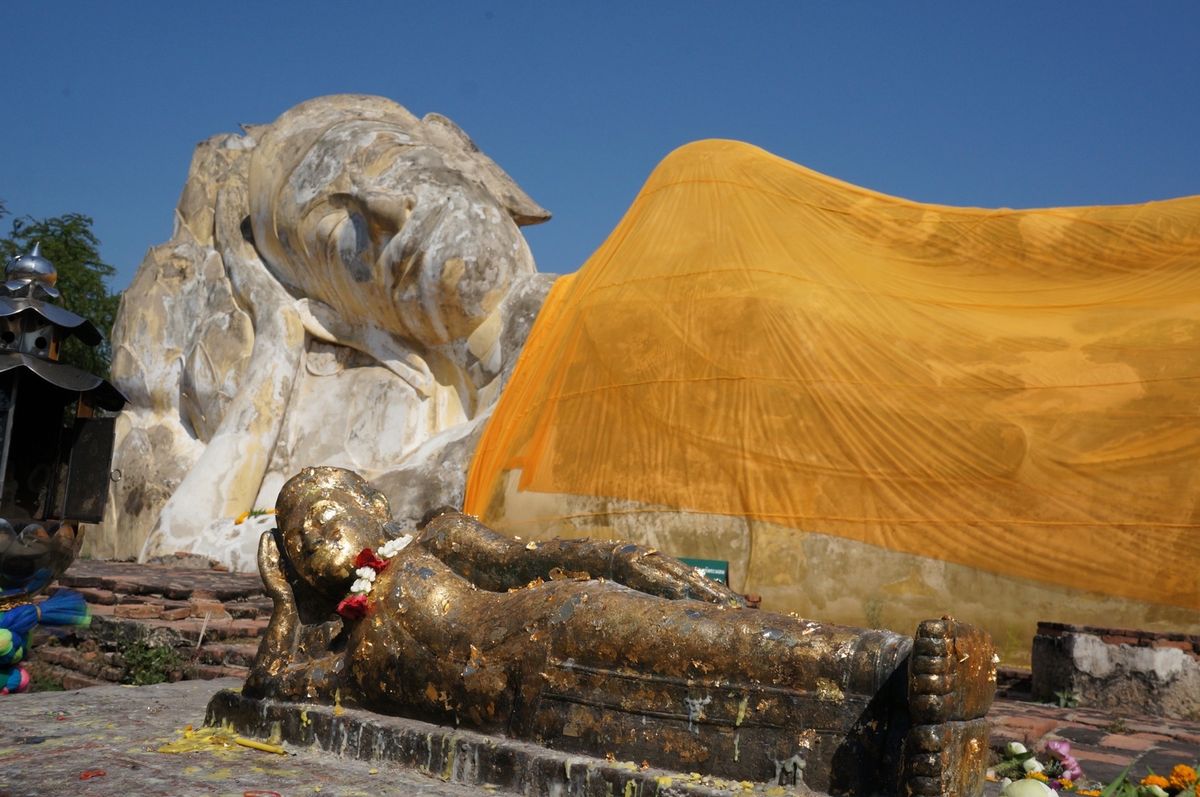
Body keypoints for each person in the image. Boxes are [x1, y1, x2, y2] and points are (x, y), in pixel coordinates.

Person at [245, 467, 993, 794]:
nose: (313, 533)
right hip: (535, 706)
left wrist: (627, 560)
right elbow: (269, 684)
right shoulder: (339, 658)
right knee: (710, 735)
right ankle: (891, 757)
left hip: (558, 622)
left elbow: (532, 559)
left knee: (715, 649)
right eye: (294, 535)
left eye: (325, 509)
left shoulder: (429, 542)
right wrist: (282, 601)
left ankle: (896, 667)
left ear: (371, 502)